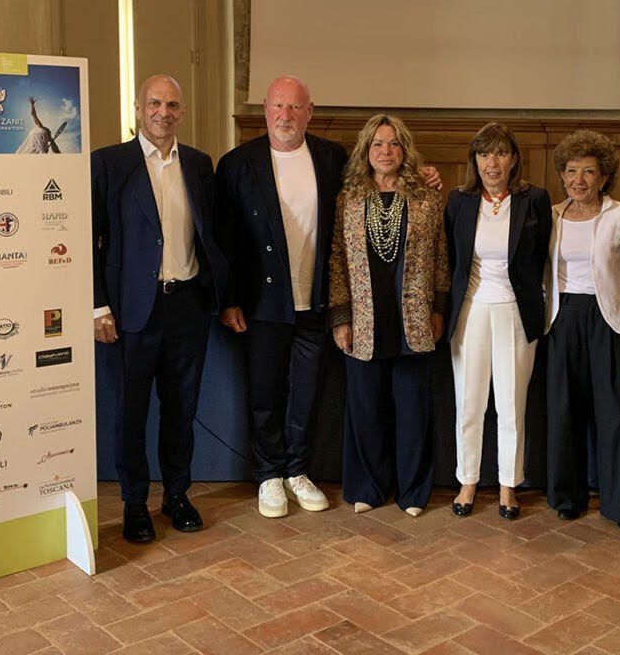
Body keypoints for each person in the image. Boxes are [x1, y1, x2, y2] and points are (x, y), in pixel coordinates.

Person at [92, 75, 227, 543]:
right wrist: (98, 307)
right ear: (137, 108)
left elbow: (213, 235)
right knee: (130, 412)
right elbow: (89, 241)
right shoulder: (109, 164)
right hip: (131, 313)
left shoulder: (199, 164)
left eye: (171, 104)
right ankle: (134, 504)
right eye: (154, 103)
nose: (162, 112)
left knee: (181, 410)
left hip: (186, 308)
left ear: (182, 112)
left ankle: (175, 494)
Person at [214, 76, 347, 519]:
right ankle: (269, 474)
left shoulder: (333, 159)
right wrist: (229, 298)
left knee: (306, 393)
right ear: (265, 112)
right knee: (265, 391)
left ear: (309, 111)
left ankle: (297, 470)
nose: (285, 117)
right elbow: (224, 237)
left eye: (294, 108)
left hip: (316, 302)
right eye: (277, 107)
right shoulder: (237, 164)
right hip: (260, 303)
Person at [329, 114, 448, 516]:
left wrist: (438, 307)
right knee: (366, 408)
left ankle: (413, 491)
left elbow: (440, 258)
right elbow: (337, 261)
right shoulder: (348, 198)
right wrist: (341, 316)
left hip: (412, 318)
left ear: (405, 151)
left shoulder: (428, 197)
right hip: (364, 318)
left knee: (412, 409)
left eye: (394, 144)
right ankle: (369, 486)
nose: (386, 151)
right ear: (366, 150)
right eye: (378, 144)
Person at [444, 123, 550, 520]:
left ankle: (508, 484)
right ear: (475, 160)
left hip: (515, 312)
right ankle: (468, 479)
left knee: (511, 404)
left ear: (514, 160)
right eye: (485, 154)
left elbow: (540, 258)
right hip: (470, 311)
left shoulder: (534, 199)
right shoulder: (458, 200)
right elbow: (454, 260)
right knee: (469, 404)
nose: (493, 162)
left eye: (501, 153)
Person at [542, 130, 620, 532]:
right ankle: (567, 497)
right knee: (564, 410)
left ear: (604, 176)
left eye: (588, 171)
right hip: (562, 316)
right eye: (571, 171)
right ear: (562, 175)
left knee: (613, 412)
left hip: (609, 319)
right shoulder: (551, 214)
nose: (578, 180)